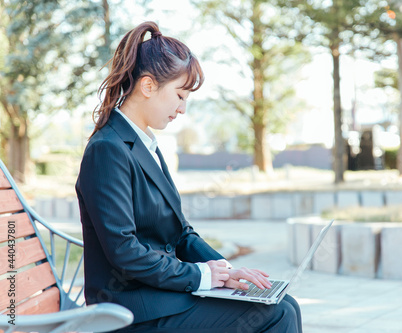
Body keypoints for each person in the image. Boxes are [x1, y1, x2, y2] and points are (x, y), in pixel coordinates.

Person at [75, 21, 302, 333]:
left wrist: (228, 271)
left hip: (160, 297)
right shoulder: (107, 150)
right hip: (131, 312)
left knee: (284, 303)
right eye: (180, 95)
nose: (182, 109)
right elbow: (124, 252)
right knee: (277, 314)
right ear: (148, 86)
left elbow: (181, 235)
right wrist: (202, 276)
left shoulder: (145, 145)